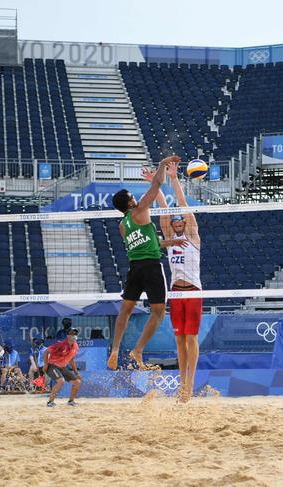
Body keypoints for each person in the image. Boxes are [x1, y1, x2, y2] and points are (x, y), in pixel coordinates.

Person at [107, 154, 179, 370]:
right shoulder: (140, 210)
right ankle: (137, 350)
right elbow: (158, 183)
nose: (135, 198)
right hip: (151, 267)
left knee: (125, 311)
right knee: (158, 313)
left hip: (134, 268)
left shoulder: (122, 225)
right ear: (130, 201)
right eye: (132, 197)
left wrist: (170, 242)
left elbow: (150, 242)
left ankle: (115, 350)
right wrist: (162, 164)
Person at [143, 160, 200, 402]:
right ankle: (182, 387)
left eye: (180, 221)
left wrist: (175, 178)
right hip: (175, 292)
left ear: (184, 223)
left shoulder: (193, 237)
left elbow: (183, 205)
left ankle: (190, 384)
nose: (176, 223)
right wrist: (155, 184)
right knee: (180, 339)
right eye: (174, 221)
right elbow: (164, 210)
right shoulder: (169, 237)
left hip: (194, 291)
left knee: (191, 339)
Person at [43, 328, 81, 407]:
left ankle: (71, 401)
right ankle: (50, 402)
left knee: (77, 382)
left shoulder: (76, 346)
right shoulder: (61, 344)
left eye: (75, 334)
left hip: (62, 367)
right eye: (72, 334)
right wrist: (46, 365)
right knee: (61, 381)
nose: (74, 336)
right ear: (67, 336)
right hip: (52, 366)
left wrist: (76, 372)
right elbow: (46, 351)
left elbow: (71, 360)